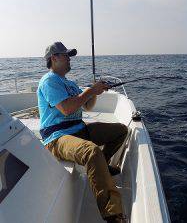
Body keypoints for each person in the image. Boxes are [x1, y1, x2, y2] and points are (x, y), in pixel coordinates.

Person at [37, 42, 128, 223]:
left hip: (79, 129)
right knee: (91, 151)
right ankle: (113, 214)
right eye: (65, 55)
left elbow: (87, 105)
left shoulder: (69, 83)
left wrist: (94, 93)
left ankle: (103, 165)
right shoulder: (49, 81)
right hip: (58, 137)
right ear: (54, 58)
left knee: (120, 131)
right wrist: (90, 91)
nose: (69, 58)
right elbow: (67, 109)